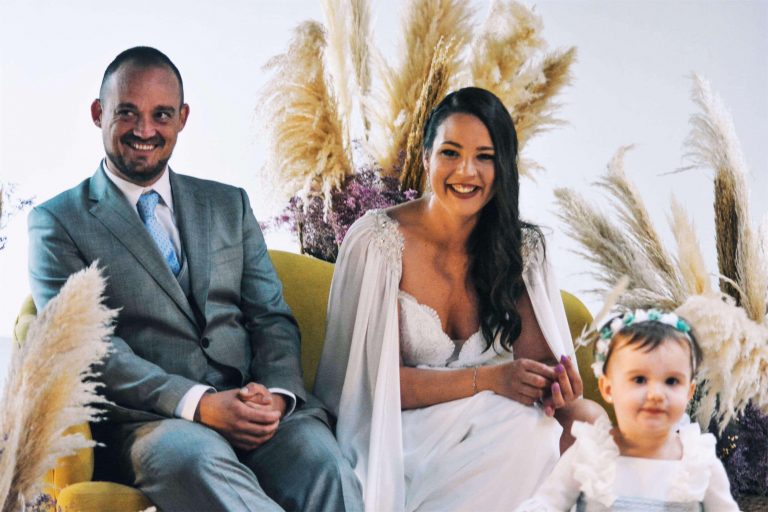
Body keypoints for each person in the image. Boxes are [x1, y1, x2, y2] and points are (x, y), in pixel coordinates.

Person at [27, 46, 362, 511]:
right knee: (198, 460)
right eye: (127, 113)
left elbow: (270, 317)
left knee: (324, 464)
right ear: (98, 113)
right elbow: (90, 348)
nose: (145, 130)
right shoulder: (57, 222)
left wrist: (276, 396)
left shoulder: (228, 204)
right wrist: (199, 404)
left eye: (161, 115)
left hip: (255, 407)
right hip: (152, 425)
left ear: (182, 118)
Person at [315, 87, 603, 512]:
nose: (466, 171)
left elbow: (540, 368)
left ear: (503, 167)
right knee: (529, 434)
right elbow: (368, 387)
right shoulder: (377, 242)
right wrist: (489, 380)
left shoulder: (521, 249)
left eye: (485, 157)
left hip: (496, 420)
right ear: (425, 158)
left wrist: (555, 385)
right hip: (401, 429)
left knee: (585, 422)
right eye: (450, 153)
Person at [517, 309, 739, 511]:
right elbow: (545, 505)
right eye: (639, 379)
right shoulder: (590, 454)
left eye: (671, 381)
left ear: (689, 391)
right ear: (608, 388)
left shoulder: (698, 462)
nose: (656, 394)